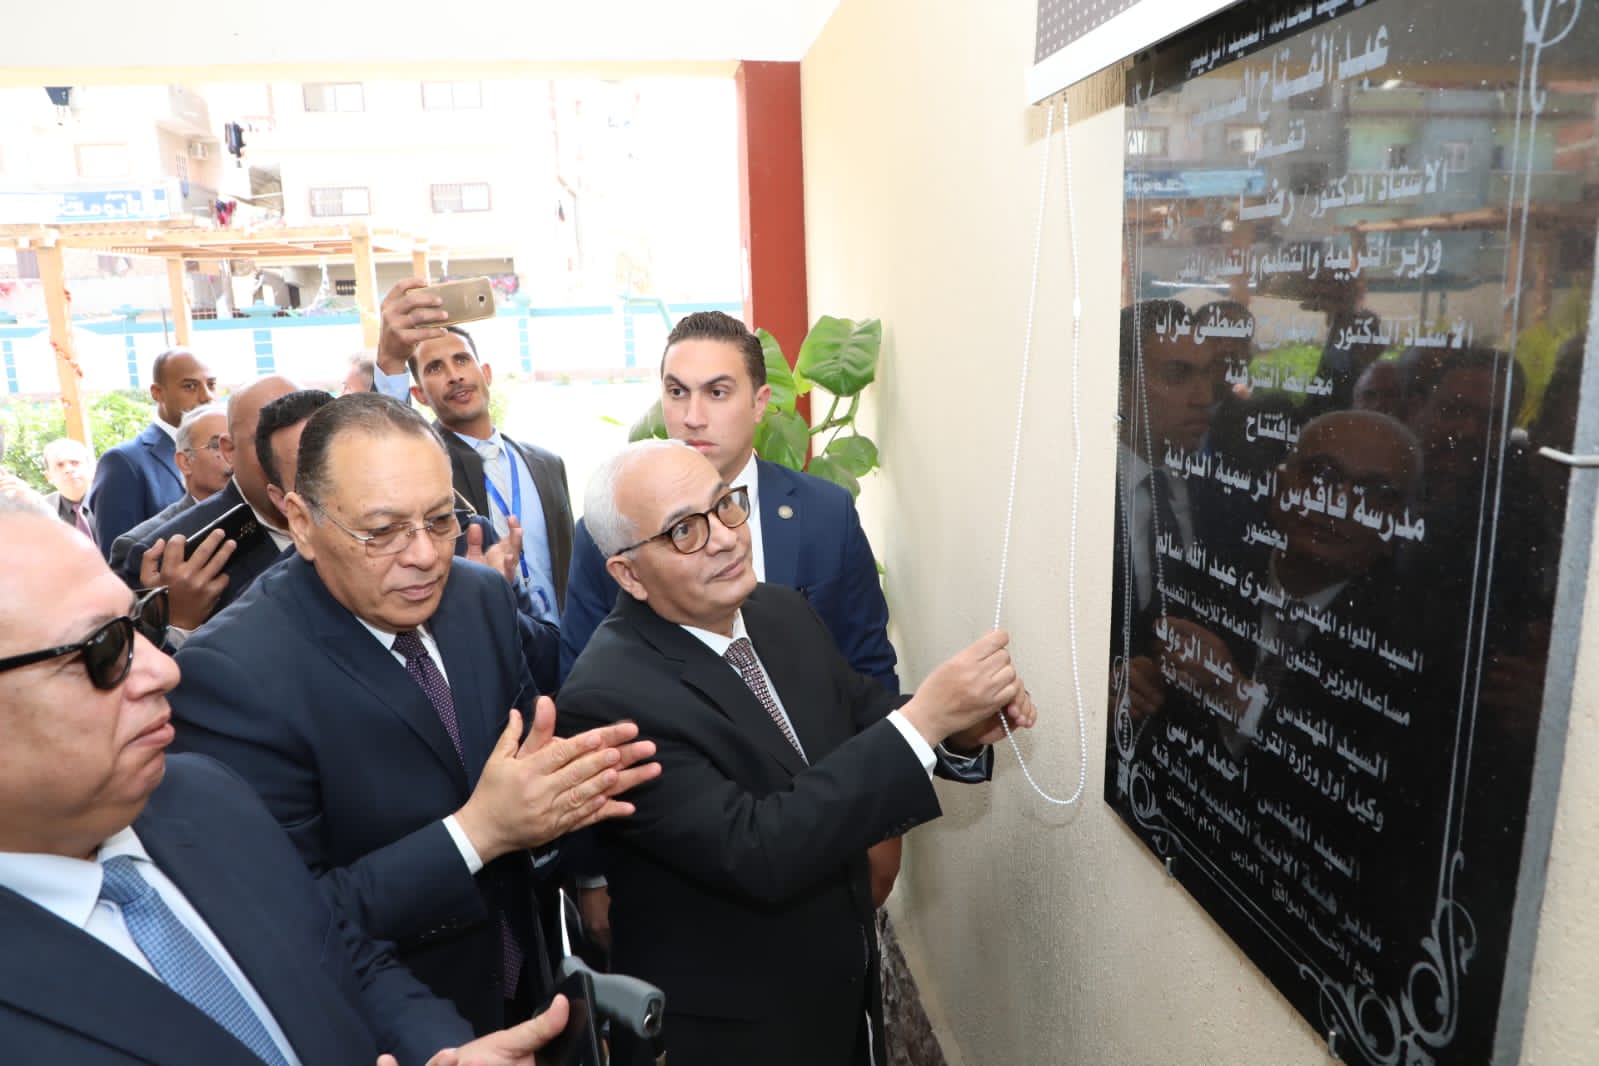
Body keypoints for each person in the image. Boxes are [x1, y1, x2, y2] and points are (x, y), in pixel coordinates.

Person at [0, 495, 580, 1066]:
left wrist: (443, 1053)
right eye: (103, 649)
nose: (164, 667)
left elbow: (341, 960)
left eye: (140, 623)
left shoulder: (203, 798)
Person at [168, 393, 659, 1036]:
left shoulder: (480, 597)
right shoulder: (231, 675)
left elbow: (523, 783)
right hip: (396, 1028)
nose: (425, 554)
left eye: (440, 518)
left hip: (527, 993)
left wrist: (562, 803)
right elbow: (290, 921)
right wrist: (477, 834)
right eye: (383, 530)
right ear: (302, 523)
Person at [558, 439, 1036, 1066]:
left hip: (835, 997)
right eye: (684, 531)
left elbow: (861, 716)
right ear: (627, 574)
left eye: (725, 506)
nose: (726, 538)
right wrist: (927, 718)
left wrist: (960, 730)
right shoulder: (606, 699)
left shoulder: (779, 610)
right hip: (730, 1034)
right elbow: (757, 848)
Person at [561, 311, 898, 691]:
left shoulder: (826, 514)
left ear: (759, 403)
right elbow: (584, 686)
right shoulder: (613, 532)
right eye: (677, 393)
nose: (693, 417)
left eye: (717, 393)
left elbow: (869, 671)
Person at [376, 281, 574, 626]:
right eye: (435, 368)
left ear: (486, 374)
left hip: (562, 645)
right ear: (419, 395)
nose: (454, 376)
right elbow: (386, 448)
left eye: (461, 360)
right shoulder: (424, 470)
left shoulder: (547, 464)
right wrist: (390, 361)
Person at [121, 376, 298, 635]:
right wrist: (179, 625)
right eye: (266, 440)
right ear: (229, 451)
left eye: (306, 439)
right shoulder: (164, 557)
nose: (291, 456)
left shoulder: (344, 511)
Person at [88, 347, 218, 555]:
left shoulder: (230, 451)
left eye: (211, 384)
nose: (206, 396)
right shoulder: (123, 462)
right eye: (190, 386)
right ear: (157, 393)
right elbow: (119, 561)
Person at [108, 403, 232, 574]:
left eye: (235, 445)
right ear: (185, 462)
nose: (232, 456)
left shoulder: (265, 512)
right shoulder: (141, 546)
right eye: (216, 446)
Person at [41, 436, 97, 543]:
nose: (68, 469)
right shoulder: (41, 512)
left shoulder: (111, 501)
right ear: (49, 477)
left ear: (91, 468)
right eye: (60, 465)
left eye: (75, 463)